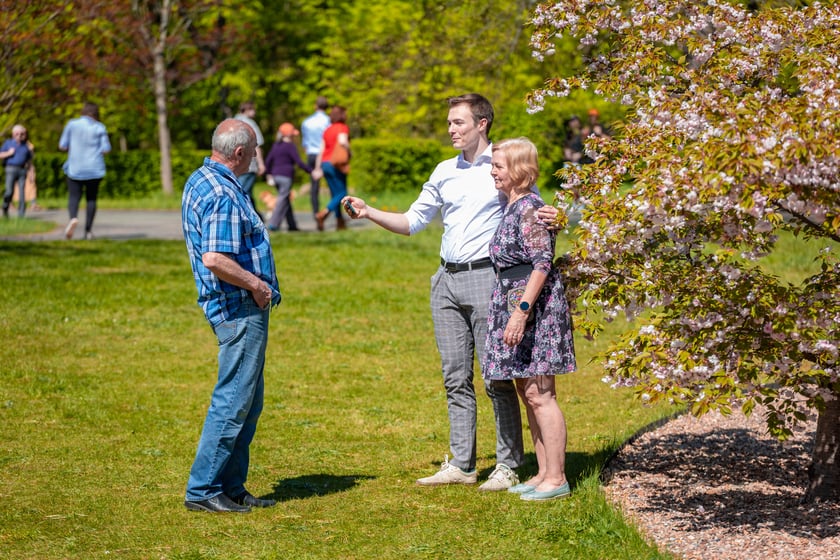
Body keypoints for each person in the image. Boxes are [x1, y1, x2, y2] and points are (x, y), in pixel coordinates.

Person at [342, 93, 559, 491]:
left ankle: (508, 464)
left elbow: (533, 207)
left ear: (482, 123)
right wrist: (369, 212)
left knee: (496, 377)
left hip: (487, 281)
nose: (451, 129)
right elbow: (413, 221)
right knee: (455, 377)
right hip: (445, 281)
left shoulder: (501, 165)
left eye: (458, 122)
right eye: (449, 123)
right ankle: (462, 464)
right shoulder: (444, 170)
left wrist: (554, 215)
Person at [181, 118, 282, 513]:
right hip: (238, 308)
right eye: (254, 150)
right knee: (233, 401)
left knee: (247, 401)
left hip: (236, 307)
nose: (257, 157)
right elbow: (215, 258)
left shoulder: (201, 179)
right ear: (239, 153)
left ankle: (231, 487)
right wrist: (257, 286)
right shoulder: (223, 193)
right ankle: (204, 490)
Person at [482, 138, 576, 502]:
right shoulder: (513, 206)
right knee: (527, 391)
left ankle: (557, 478)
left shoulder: (531, 209)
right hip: (512, 302)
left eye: (499, 166)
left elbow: (541, 264)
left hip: (533, 308)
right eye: (493, 165)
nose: (493, 171)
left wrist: (520, 313)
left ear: (519, 171)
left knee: (541, 393)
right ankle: (541, 473)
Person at [59, 102, 111, 239]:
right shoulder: (100, 127)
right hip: (94, 168)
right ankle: (88, 231)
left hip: (75, 168)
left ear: (83, 111)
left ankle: (73, 218)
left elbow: (62, 145)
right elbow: (106, 149)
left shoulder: (72, 124)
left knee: (74, 196)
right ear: (96, 113)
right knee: (91, 199)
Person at [264, 122, 312, 232]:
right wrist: (311, 171)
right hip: (286, 177)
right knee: (282, 200)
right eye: (293, 135)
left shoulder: (276, 146)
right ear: (289, 135)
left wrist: (268, 174)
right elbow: (299, 162)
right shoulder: (290, 146)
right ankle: (273, 224)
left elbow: (268, 161)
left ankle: (292, 225)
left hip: (275, 177)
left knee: (285, 200)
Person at [313, 105, 351, 231]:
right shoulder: (342, 127)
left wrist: (318, 168)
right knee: (342, 193)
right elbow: (342, 141)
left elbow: (321, 150)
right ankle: (324, 213)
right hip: (336, 164)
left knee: (335, 194)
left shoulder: (327, 130)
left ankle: (340, 223)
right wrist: (350, 151)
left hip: (325, 163)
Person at [234, 101, 266, 220]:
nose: (254, 112)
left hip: (235, 163)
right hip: (249, 164)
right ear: (247, 110)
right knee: (243, 191)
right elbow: (257, 144)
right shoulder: (250, 124)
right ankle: (247, 218)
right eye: (253, 110)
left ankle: (257, 217)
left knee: (247, 191)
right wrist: (261, 164)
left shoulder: (231, 122)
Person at [301, 96, 331, 217]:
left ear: (315, 106)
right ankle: (333, 212)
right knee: (331, 182)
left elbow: (305, 142)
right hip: (324, 154)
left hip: (311, 154)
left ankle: (315, 212)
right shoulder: (328, 121)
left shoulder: (307, 121)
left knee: (314, 186)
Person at [1, 124, 34, 218]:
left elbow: (29, 161)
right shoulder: (8, 143)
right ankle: (5, 207)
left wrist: (31, 173)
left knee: (22, 192)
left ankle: (21, 215)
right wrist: (8, 153)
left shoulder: (26, 146)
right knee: (9, 191)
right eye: (17, 134)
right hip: (10, 169)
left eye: (21, 134)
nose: (19, 135)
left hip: (22, 170)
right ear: (13, 134)